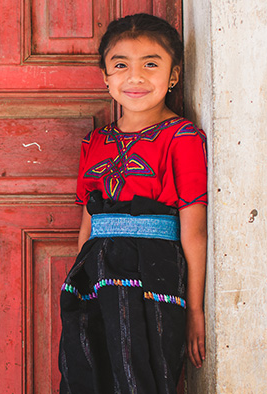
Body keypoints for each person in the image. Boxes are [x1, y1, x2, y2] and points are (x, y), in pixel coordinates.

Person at [58, 13, 207, 394]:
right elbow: (88, 221)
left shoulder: (182, 137)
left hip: (152, 272)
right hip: (95, 274)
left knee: (142, 370)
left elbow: (194, 230)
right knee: (88, 369)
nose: (135, 77)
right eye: (120, 65)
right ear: (106, 77)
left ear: (173, 76)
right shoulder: (96, 142)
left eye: (151, 65)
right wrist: (80, 279)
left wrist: (194, 310)